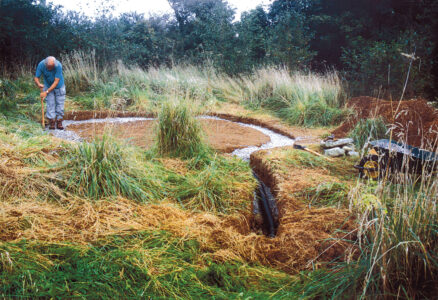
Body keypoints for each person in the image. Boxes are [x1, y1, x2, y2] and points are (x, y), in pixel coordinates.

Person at [34, 56, 66, 130]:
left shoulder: (58, 65)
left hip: (59, 86)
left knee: (60, 103)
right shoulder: (41, 65)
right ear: (45, 64)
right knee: (50, 103)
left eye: (52, 67)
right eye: (49, 67)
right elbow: (36, 77)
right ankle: (52, 121)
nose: (50, 68)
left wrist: (47, 92)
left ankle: (59, 121)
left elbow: (56, 81)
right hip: (47, 85)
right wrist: (39, 84)